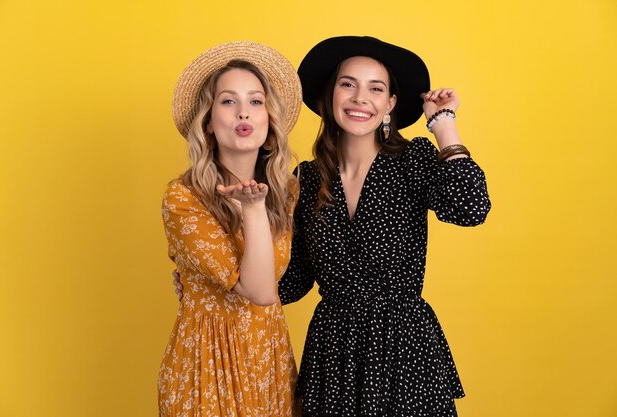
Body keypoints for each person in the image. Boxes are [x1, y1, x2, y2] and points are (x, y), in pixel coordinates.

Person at [277, 36, 491, 416]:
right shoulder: (307, 180)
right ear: (329, 98)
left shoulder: (413, 160)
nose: (361, 98)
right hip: (335, 354)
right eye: (348, 84)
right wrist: (221, 284)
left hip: (403, 349)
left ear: (390, 104)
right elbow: (294, 280)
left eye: (376, 88)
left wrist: (443, 125)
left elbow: (470, 208)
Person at [158, 41, 302, 417]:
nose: (243, 112)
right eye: (227, 101)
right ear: (208, 122)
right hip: (208, 362)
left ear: (269, 120)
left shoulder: (288, 191)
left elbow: (290, 279)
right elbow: (257, 291)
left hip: (268, 357)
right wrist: (253, 211)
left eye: (256, 102)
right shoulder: (183, 197)